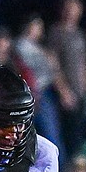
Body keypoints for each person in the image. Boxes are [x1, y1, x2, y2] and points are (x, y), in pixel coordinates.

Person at [45, 0, 86, 158]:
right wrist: (63, 91)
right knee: (65, 141)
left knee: (79, 140)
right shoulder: (55, 32)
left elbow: (84, 61)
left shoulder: (80, 34)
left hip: (80, 94)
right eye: (68, 8)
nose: (72, 12)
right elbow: (53, 64)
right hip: (64, 95)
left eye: (75, 9)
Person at [15, 14, 63, 152]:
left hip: (45, 92)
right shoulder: (19, 45)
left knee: (50, 135)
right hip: (32, 93)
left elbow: (53, 70)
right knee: (39, 134)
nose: (39, 30)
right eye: (36, 26)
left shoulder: (39, 48)